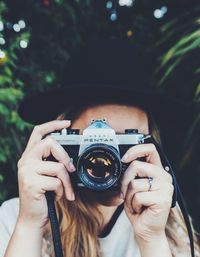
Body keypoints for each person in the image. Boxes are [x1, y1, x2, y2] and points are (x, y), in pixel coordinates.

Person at [0, 40, 199, 257]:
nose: (107, 159)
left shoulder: (165, 218)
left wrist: (152, 239)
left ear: (151, 146)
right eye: (95, 142)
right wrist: (30, 226)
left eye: (127, 141)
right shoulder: (17, 216)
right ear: (60, 141)